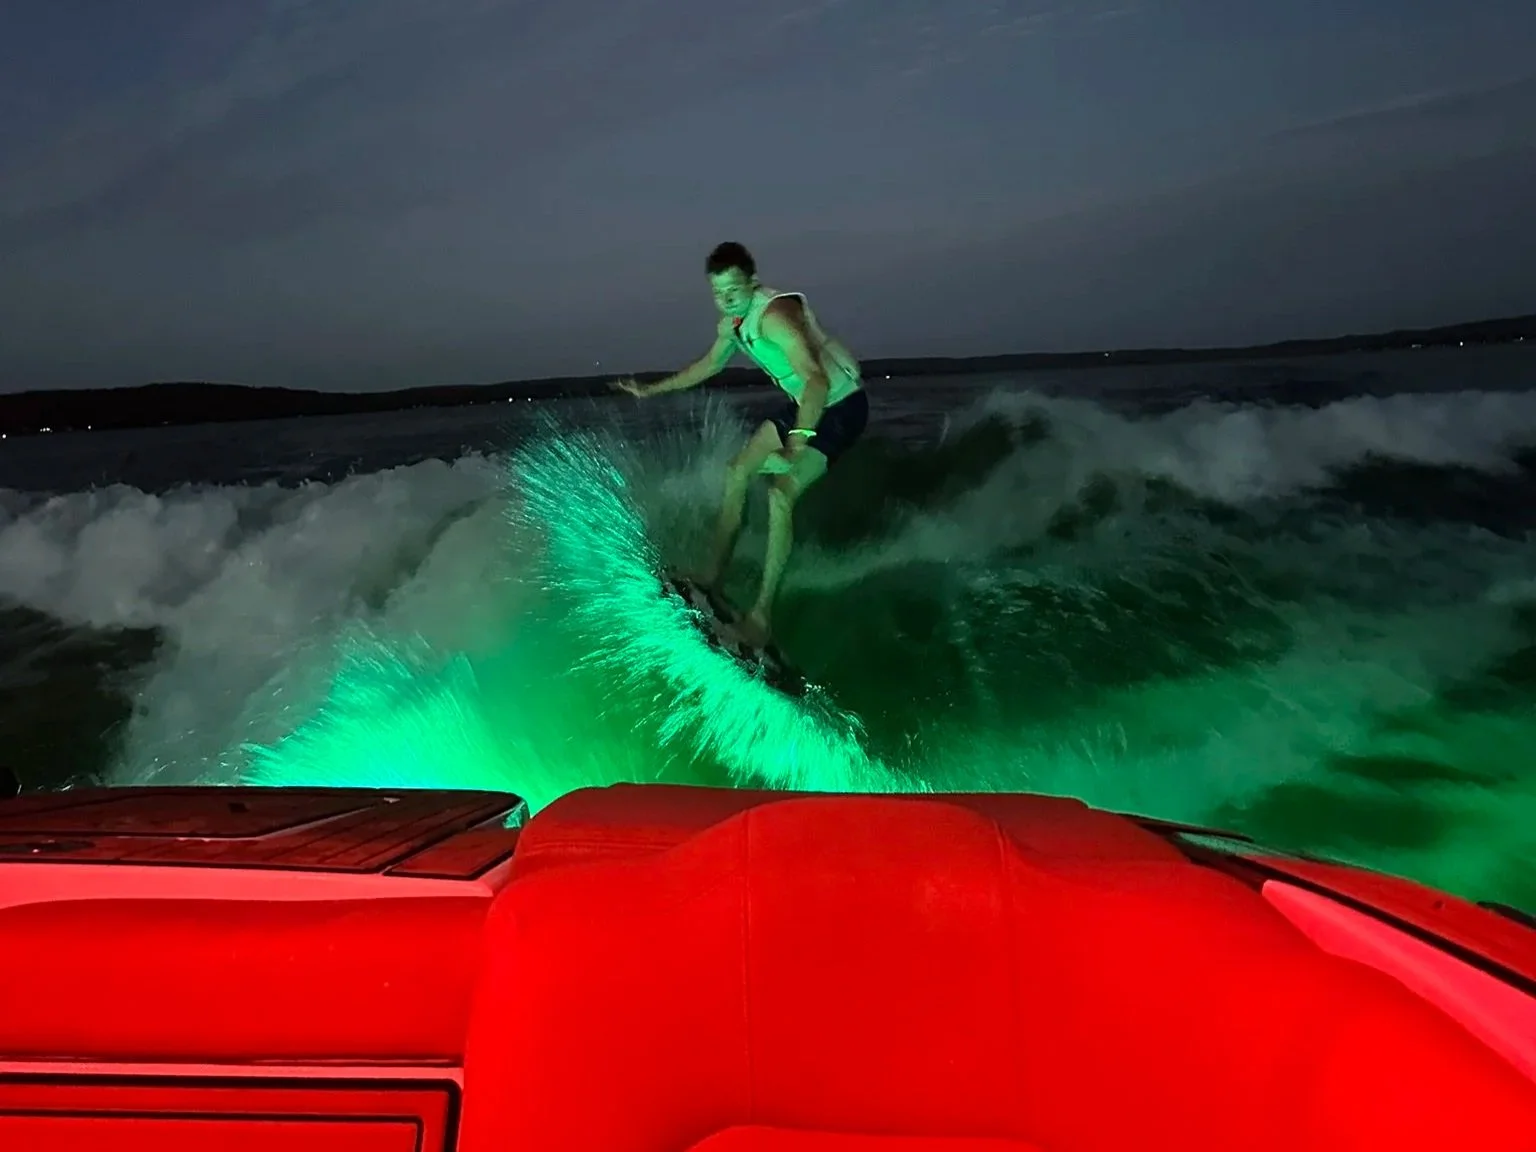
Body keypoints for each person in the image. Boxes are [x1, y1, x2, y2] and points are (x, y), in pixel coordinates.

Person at [613, 241, 869, 646]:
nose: (725, 300)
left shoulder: (775, 319)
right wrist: (651, 390)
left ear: (753, 282)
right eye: (717, 292)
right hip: (804, 403)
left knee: (781, 495)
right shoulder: (734, 322)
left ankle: (762, 618)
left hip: (840, 407)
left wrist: (795, 448)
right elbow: (709, 365)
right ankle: (712, 576)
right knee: (736, 470)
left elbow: (818, 381)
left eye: (733, 290)